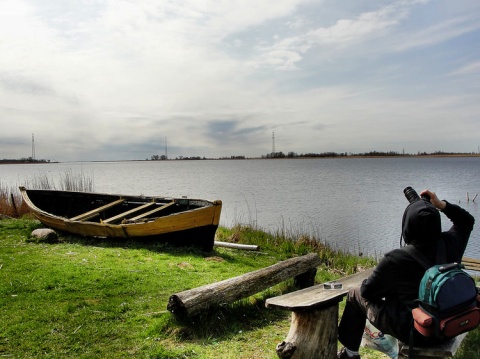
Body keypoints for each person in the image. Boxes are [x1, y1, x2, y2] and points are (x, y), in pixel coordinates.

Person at [337, 189, 475, 359]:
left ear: (407, 226)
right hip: (450, 325)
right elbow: (466, 221)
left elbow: (368, 292)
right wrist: (441, 205)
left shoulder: (395, 259)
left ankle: (350, 353)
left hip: (418, 334)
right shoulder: (452, 243)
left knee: (355, 294)